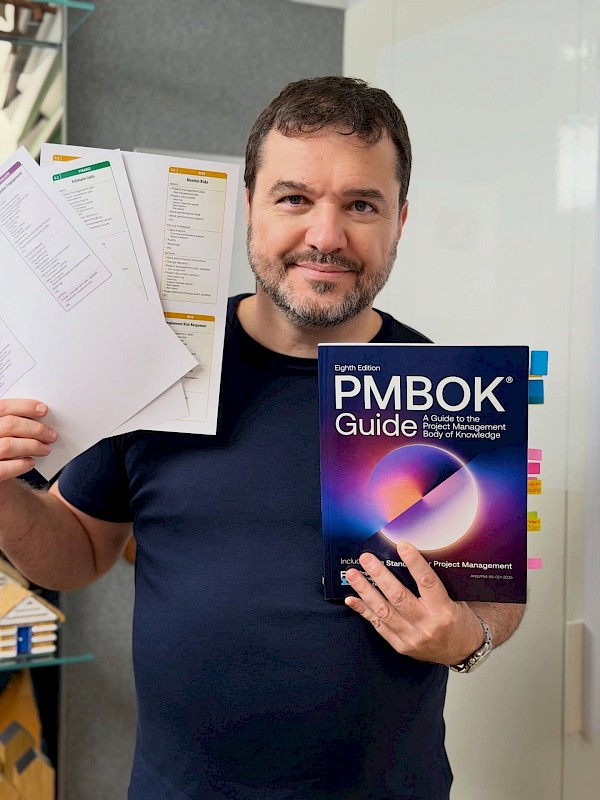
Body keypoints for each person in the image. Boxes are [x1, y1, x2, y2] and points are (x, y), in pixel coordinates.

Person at [0, 76, 524, 800]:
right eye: (294, 198)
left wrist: (467, 640)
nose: (326, 236)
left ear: (399, 219)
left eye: (361, 205)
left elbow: (497, 593)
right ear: (248, 204)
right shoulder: (162, 363)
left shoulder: (451, 391)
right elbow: (78, 551)